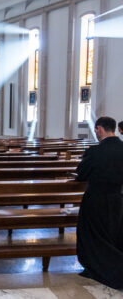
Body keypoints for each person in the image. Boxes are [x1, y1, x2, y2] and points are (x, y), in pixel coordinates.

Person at [76, 116, 123, 289]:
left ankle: (99, 269)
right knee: (113, 234)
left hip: (96, 199)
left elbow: (81, 174)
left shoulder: (95, 152)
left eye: (96, 130)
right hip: (118, 199)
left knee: (93, 235)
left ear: (100, 129)